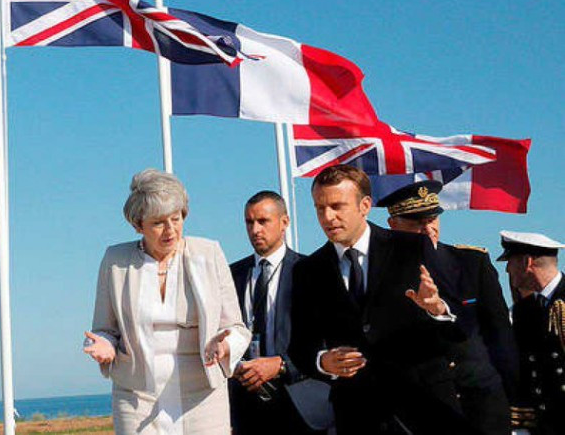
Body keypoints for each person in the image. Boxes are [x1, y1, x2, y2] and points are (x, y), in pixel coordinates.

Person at [288, 165, 477, 435]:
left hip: (425, 411)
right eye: (320, 208)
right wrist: (323, 362)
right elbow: (300, 347)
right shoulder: (308, 270)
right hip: (357, 415)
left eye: (337, 206)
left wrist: (437, 308)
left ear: (364, 205)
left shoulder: (414, 247)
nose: (328, 217)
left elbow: (464, 325)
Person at [82, 168, 250, 435]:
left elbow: (238, 328)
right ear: (138, 225)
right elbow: (104, 329)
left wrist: (226, 344)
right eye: (159, 223)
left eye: (176, 218)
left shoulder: (210, 253)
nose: (171, 231)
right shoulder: (115, 261)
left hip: (202, 397)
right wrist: (104, 345)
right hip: (137, 397)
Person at [378, 180, 518, 435]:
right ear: (393, 225)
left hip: (482, 401)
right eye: (416, 222)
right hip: (417, 407)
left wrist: (517, 398)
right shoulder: (379, 275)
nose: (427, 229)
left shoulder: (472, 262)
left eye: (432, 219)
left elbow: (499, 335)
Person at [228, 191, 329, 435]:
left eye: (263, 221)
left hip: (300, 402)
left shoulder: (312, 271)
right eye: (249, 222)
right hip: (246, 405)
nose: (255, 230)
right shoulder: (231, 275)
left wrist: (282, 365)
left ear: (284, 222)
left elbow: (326, 340)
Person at [498, 230, 565, 435]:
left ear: (527, 262)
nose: (508, 270)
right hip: (544, 424)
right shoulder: (524, 310)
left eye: (510, 262)